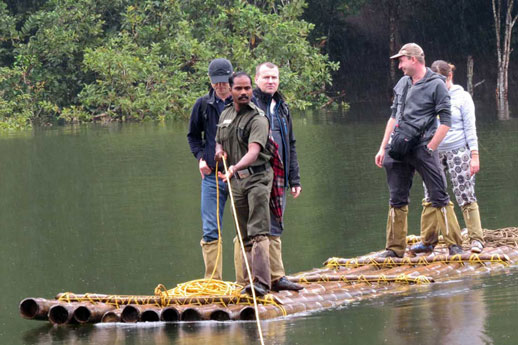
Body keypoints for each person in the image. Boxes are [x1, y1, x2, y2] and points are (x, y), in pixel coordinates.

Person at [374, 43, 464, 258]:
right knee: (397, 197)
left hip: (423, 146)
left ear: (413, 59)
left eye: (401, 61)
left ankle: (455, 245)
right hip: (398, 147)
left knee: (439, 194)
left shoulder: (437, 85)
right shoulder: (403, 83)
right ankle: (395, 249)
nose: (399, 66)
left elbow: (446, 122)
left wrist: (431, 146)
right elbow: (394, 117)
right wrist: (382, 147)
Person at [414, 60, 484, 253]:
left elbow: (471, 129)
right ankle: (428, 240)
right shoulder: (431, 96)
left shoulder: (462, 97)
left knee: (465, 193)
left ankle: (476, 238)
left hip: (458, 150)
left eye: (441, 80)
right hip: (434, 151)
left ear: (449, 76)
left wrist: (474, 155)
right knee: (430, 194)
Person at [215, 71, 273, 296]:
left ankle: (262, 283)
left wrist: (234, 167)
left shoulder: (258, 118)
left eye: (247, 88)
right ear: (230, 90)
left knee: (258, 230)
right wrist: (219, 153)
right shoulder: (226, 114)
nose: (244, 92)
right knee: (243, 233)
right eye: (238, 88)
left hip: (257, 178)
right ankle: (249, 281)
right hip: (236, 181)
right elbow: (219, 141)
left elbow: (254, 151)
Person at [250, 62, 303, 291]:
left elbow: (290, 143)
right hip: (256, 174)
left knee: (276, 223)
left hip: (280, 174)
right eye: (266, 77)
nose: (271, 81)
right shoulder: (249, 105)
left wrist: (295, 178)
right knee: (257, 227)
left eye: (274, 77)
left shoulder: (282, 106)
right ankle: (255, 280)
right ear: (256, 79)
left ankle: (277, 276)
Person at [187, 58, 233, 280]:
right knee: (210, 230)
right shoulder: (202, 105)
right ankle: (213, 282)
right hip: (212, 176)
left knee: (246, 229)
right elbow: (193, 137)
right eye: (217, 82)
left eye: (224, 82)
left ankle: (246, 280)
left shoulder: (243, 103)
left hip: (239, 176)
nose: (221, 86)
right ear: (211, 81)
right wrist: (199, 159)